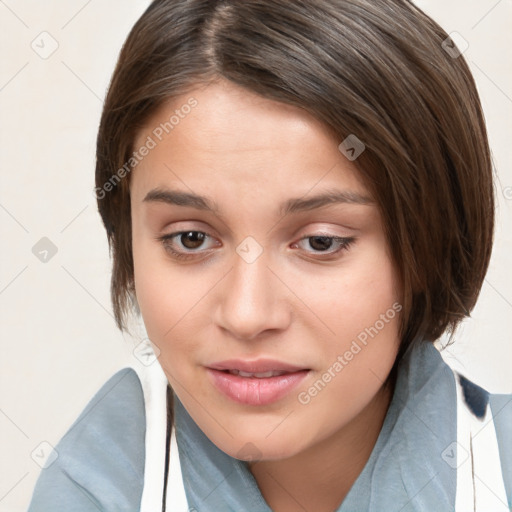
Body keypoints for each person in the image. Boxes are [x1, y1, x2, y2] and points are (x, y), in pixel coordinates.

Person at [27, 0, 512, 511]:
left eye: (321, 242)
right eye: (190, 238)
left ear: (427, 248)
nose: (247, 314)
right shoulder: (93, 485)